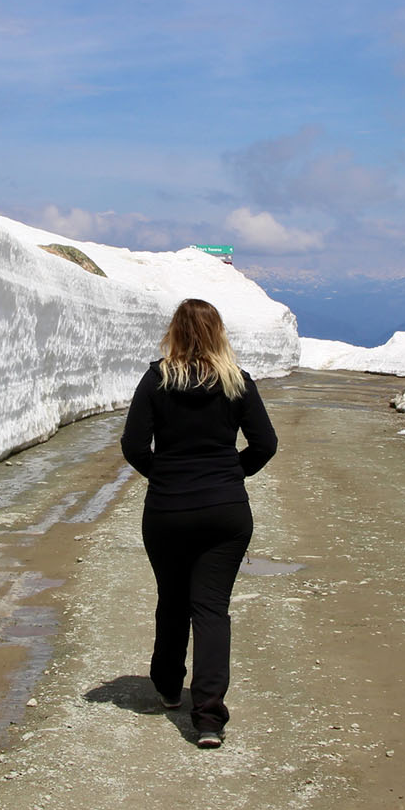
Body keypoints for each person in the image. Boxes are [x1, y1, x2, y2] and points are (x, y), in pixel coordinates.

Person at [119, 298, 278, 748]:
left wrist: (166, 476)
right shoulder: (236, 383)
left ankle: (169, 686)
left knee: (172, 599)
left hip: (168, 511)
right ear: (218, 333)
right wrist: (231, 476)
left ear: (175, 332)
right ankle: (208, 718)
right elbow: (265, 444)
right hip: (225, 511)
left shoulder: (155, 380)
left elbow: (133, 446)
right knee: (210, 609)